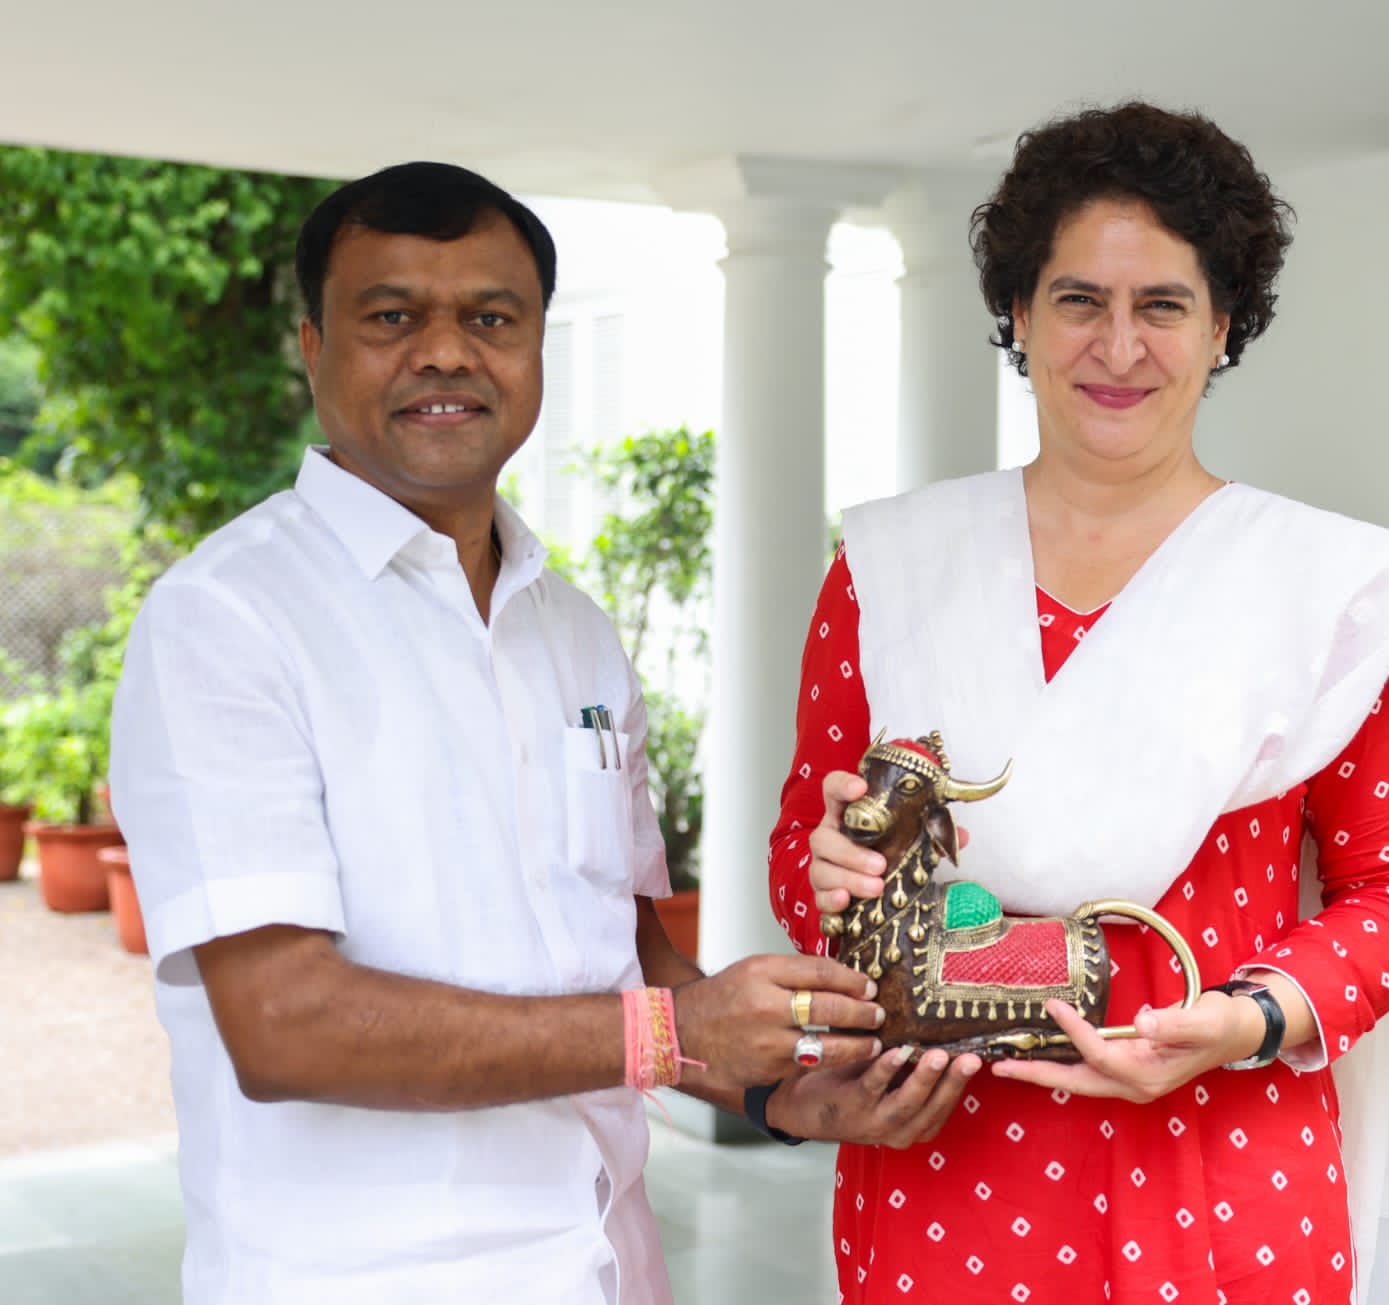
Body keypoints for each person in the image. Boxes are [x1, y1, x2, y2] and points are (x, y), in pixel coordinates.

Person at [108, 161, 890, 1305]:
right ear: (313, 349)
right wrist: (670, 1034)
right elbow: (282, 1025)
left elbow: (626, 952)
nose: (444, 353)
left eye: (491, 318)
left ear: (534, 351)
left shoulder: (571, 630)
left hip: (610, 1266)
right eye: (390, 317)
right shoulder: (226, 618)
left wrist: (780, 1089)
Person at [767, 103, 1389, 1305]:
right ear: (1017, 313)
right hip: (950, 1155)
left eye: (1161, 304)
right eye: (1078, 300)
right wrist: (835, 872)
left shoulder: (1328, 592)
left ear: (1222, 325)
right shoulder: (892, 570)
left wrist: (1249, 1019)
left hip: (1223, 1155)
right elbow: (807, 850)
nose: (1118, 346)